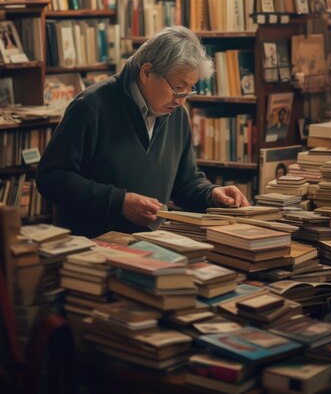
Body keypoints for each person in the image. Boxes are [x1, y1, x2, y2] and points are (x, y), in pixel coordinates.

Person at [36, 26, 249, 238]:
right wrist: (119, 203)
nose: (182, 99)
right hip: (91, 250)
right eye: (179, 87)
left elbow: (185, 183)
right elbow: (51, 177)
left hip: (151, 245)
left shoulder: (177, 115)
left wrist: (211, 194)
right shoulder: (91, 106)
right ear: (146, 72)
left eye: (189, 89)